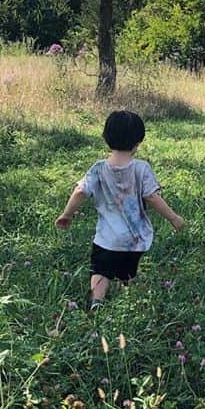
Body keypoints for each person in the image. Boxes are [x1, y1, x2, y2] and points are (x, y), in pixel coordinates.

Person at [55, 110, 184, 306]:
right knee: (127, 272)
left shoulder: (98, 168)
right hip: (134, 239)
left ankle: (97, 301)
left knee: (100, 271)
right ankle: (129, 301)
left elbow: (80, 191)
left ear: (106, 138)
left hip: (106, 238)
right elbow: (151, 196)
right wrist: (173, 217)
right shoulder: (141, 168)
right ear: (138, 141)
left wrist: (67, 214)